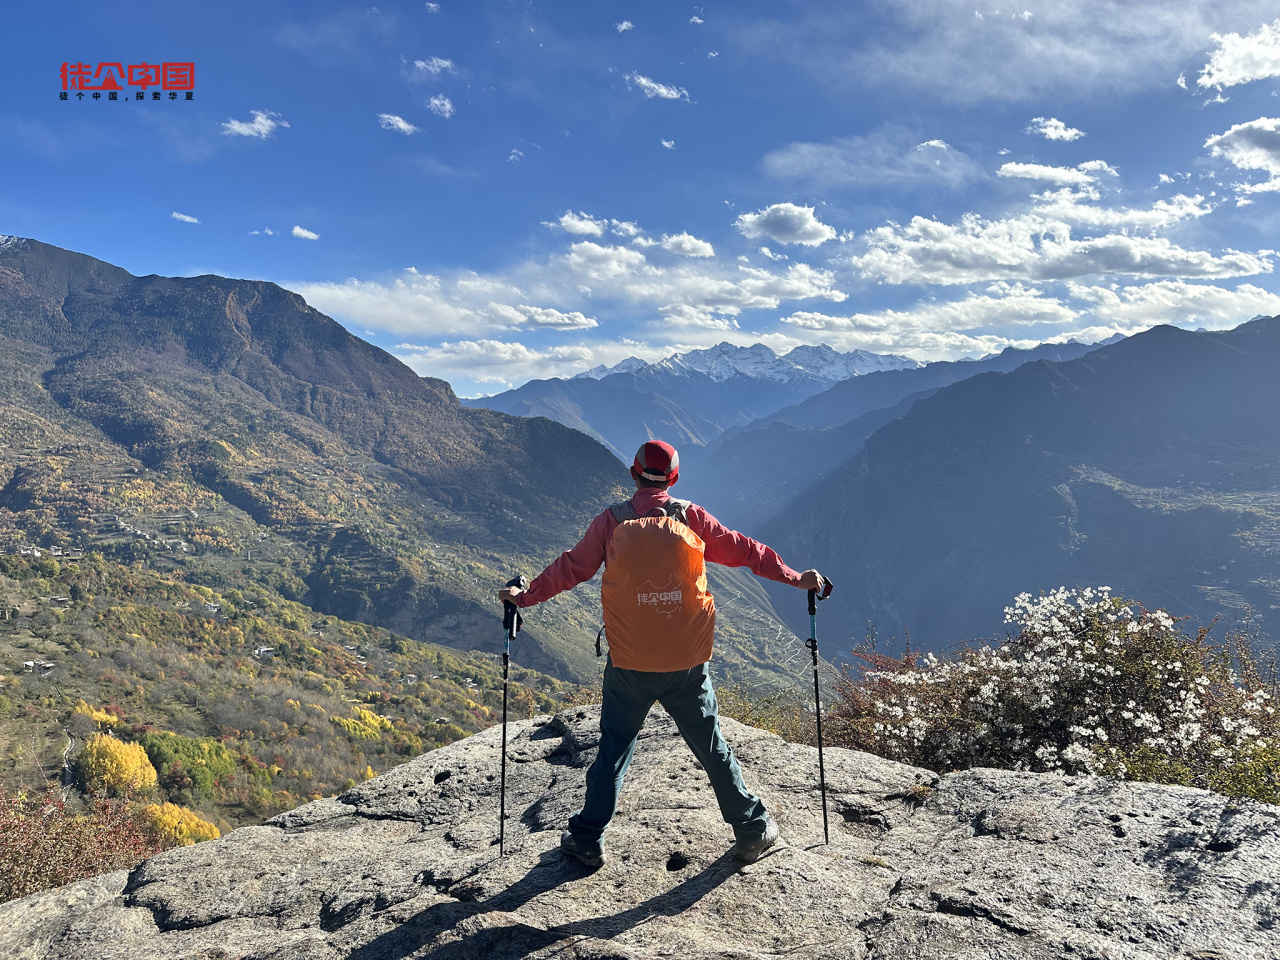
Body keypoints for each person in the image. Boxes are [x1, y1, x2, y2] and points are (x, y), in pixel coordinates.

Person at [497, 439, 826, 868]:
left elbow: (571, 568)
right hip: (687, 662)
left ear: (633, 474)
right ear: (674, 478)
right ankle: (751, 830)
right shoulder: (691, 518)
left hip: (630, 662)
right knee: (711, 747)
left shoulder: (611, 521)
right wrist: (796, 577)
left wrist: (523, 597)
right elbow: (746, 550)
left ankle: (587, 837)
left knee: (614, 749)